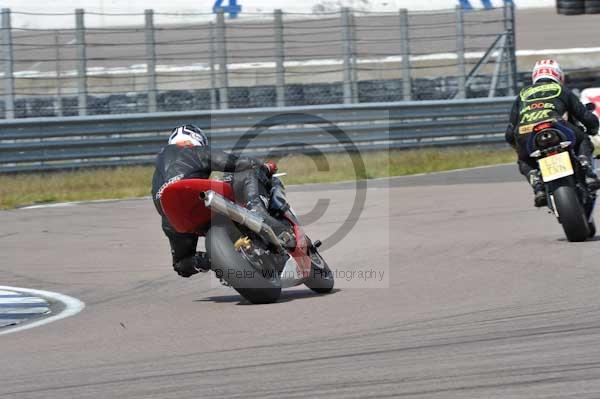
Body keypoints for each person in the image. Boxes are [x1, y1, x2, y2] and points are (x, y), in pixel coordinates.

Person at [151, 124, 290, 278]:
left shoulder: (158, 169)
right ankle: (257, 210)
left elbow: (182, 268)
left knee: (182, 263)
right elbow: (235, 163)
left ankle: (212, 261)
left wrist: (220, 259)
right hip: (196, 194)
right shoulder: (192, 149)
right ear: (197, 139)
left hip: (171, 214)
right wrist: (263, 166)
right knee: (248, 173)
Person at [505, 59, 600, 207]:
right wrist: (593, 128)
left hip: (526, 132)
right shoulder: (561, 90)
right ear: (559, 76)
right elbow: (584, 115)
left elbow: (510, 132)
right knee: (582, 138)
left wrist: (517, 145)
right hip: (555, 125)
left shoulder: (522, 94)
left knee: (523, 159)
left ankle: (536, 184)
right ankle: (586, 169)